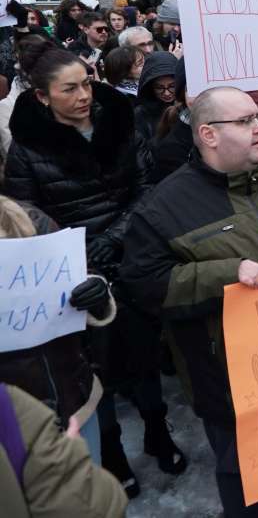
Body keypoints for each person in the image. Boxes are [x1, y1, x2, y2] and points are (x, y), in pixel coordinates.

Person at [120, 86, 258, 517]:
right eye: (244, 121)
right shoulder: (165, 206)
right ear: (208, 134)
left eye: (256, 118)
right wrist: (226, 274)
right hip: (227, 376)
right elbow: (144, 284)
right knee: (242, 471)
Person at [3, 37, 184, 496]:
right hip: (73, 274)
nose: (83, 95)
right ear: (42, 96)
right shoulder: (27, 148)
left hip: (132, 253)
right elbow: (27, 218)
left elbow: (148, 188)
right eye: (69, 89)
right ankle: (113, 453)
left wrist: (115, 238)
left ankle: (158, 431)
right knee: (94, 369)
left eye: (86, 83)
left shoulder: (120, 122)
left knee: (144, 355)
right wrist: (76, 256)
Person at [0, 196, 117, 464]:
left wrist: (95, 292)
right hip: (9, 432)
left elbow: (77, 274)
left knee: (90, 487)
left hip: (70, 400)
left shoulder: (27, 217)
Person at [0, 383, 128, 517]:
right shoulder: (6, 406)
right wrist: (68, 468)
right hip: (51, 426)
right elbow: (97, 508)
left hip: (76, 401)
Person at [134, 51, 178, 149]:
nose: (166, 93)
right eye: (159, 88)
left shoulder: (189, 108)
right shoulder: (140, 114)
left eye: (172, 86)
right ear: (150, 87)